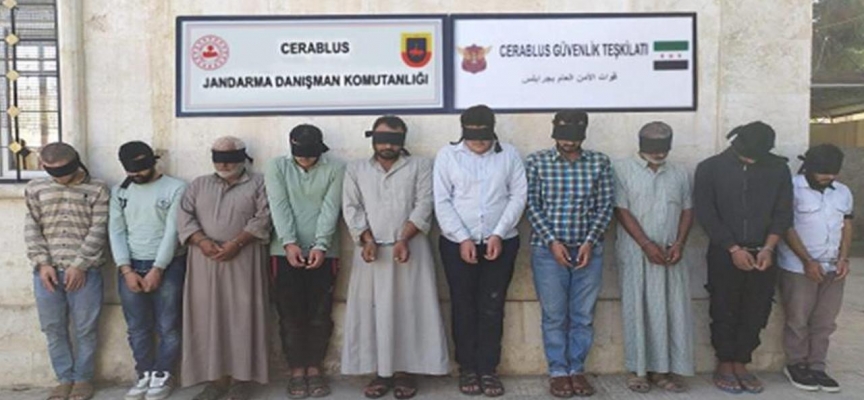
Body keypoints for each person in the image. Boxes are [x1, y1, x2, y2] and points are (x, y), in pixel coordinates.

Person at [341, 116, 449, 399]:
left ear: (404, 140)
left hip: (410, 249)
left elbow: (425, 203)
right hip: (371, 252)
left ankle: (405, 372)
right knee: (372, 312)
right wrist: (367, 239)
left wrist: (404, 238)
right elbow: (351, 207)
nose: (387, 146)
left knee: (410, 310)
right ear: (372, 139)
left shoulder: (421, 166)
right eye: (382, 140)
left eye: (394, 140)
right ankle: (380, 371)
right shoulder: (356, 169)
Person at [433, 104, 527, 397]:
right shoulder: (448, 156)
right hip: (456, 244)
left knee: (492, 306)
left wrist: (498, 233)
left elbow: (518, 195)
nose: (479, 144)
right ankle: (467, 367)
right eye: (473, 139)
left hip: (502, 241)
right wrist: (463, 238)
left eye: (484, 139)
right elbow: (442, 201)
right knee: (463, 305)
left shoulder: (509, 155)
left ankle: (488, 368)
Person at [694, 121, 793, 394]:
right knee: (724, 307)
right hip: (725, 252)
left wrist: (768, 248)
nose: (751, 161)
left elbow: (783, 212)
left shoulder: (777, 169)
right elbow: (706, 213)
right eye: (746, 156)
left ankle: (742, 362)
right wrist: (733, 248)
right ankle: (725, 362)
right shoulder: (710, 168)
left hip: (765, 252)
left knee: (757, 309)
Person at [525, 110, 614, 397]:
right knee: (554, 315)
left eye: (574, 137)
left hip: (589, 250)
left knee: (583, 315)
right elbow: (531, 205)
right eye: (563, 136)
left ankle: (577, 369)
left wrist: (589, 242)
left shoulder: (599, 162)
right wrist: (552, 242)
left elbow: (605, 206)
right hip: (547, 251)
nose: (568, 143)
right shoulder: (537, 162)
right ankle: (558, 372)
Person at [177, 137, 271, 400]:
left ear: (243, 158)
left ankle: (241, 380)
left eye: (230, 159)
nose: (224, 165)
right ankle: (216, 381)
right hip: (204, 263)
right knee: (207, 319)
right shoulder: (198, 184)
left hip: (244, 260)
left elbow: (264, 216)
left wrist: (237, 243)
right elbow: (183, 216)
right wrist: (201, 241)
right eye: (218, 159)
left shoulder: (259, 183)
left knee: (243, 318)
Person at [613, 122, 694, 394]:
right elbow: (621, 210)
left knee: (671, 311)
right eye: (654, 149)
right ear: (641, 145)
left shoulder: (679, 172)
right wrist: (646, 244)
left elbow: (687, 210)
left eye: (664, 149)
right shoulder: (621, 169)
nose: (659, 154)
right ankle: (638, 371)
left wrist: (680, 243)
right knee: (638, 309)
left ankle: (663, 371)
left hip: (671, 255)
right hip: (637, 253)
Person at [264, 124, 344, 399]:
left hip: (326, 251)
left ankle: (315, 368)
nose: (306, 160)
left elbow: (331, 208)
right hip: (283, 251)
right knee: (290, 314)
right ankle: (296, 370)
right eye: (301, 155)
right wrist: (289, 243)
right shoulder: (276, 167)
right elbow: (279, 205)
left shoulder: (336, 168)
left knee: (320, 314)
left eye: (311, 155)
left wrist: (321, 245)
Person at [25, 142, 109, 400]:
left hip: (86, 272)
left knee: (86, 328)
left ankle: (83, 379)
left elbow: (99, 228)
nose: (60, 177)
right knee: (53, 328)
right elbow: (32, 227)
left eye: (64, 170)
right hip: (47, 273)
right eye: (52, 171)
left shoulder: (98, 188)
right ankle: (64, 379)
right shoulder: (35, 188)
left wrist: (79, 264)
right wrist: (43, 263)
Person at [109, 142, 187, 400]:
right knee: (137, 327)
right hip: (131, 264)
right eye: (130, 170)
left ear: (153, 163)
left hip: (168, 265)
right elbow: (116, 230)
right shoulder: (121, 191)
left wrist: (158, 268)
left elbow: (172, 231)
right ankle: (143, 372)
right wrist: (126, 269)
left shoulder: (176, 188)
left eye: (141, 169)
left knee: (168, 325)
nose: (136, 174)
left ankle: (163, 373)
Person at [778, 144, 852, 393]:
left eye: (833, 172)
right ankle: (796, 364)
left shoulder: (842, 192)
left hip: (833, 267)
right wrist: (807, 261)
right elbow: (786, 226)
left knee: (825, 320)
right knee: (798, 319)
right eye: (823, 172)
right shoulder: (791, 188)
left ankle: (817, 366)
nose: (829, 177)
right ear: (809, 168)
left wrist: (844, 258)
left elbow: (846, 225)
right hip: (798, 267)